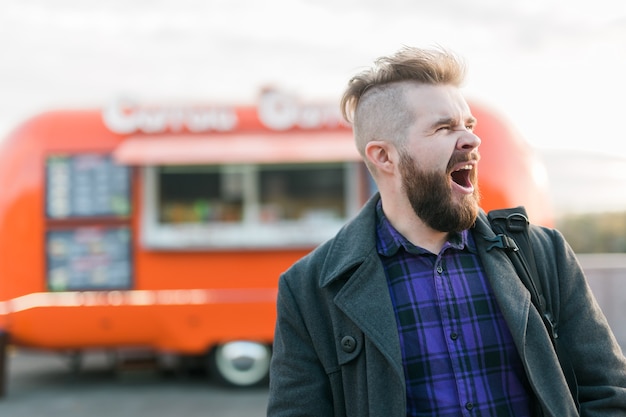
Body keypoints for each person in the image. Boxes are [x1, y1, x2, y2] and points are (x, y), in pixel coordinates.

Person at [266, 46, 626, 417]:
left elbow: (609, 394)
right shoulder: (309, 288)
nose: (472, 140)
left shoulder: (542, 254)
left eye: (468, 126)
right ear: (384, 157)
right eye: (444, 128)